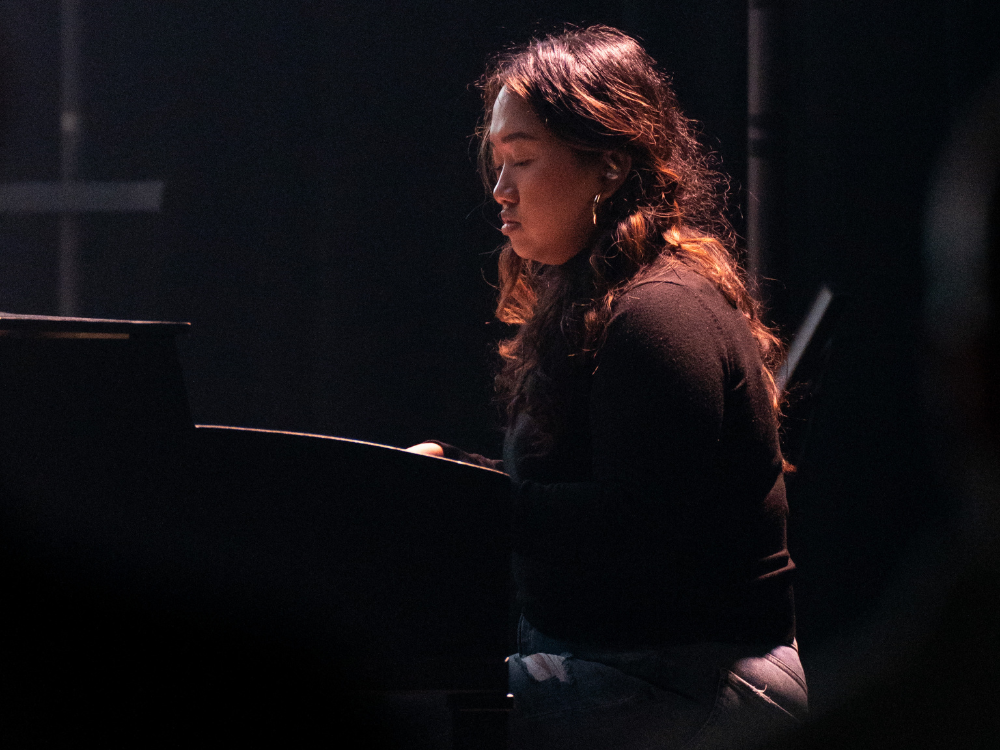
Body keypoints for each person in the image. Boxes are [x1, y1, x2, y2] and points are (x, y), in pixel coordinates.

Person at [408, 25, 806, 749]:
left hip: (692, 684)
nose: (499, 190)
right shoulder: (598, 301)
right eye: (496, 162)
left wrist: (464, 504)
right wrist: (459, 478)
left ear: (610, 164)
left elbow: (637, 527)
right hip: (622, 668)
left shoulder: (660, 314)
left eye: (522, 160)